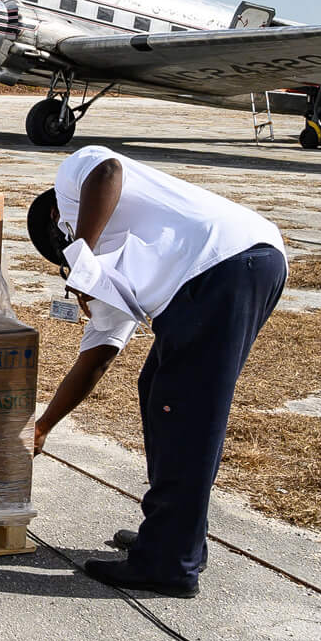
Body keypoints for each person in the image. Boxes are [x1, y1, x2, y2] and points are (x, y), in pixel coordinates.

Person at [24, 148, 286, 597]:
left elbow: (107, 169)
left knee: (184, 411)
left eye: (64, 239)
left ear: (56, 213)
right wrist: (44, 426)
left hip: (225, 264)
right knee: (160, 392)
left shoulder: (75, 178)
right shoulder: (103, 265)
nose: (69, 253)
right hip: (224, 274)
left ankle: (169, 563)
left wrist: (82, 252)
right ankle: (172, 538)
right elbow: (99, 355)